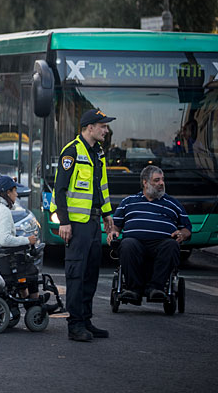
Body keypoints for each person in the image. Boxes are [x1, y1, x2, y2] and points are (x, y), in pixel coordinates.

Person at [49, 108, 116, 342]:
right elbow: (60, 190)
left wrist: (107, 215)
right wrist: (64, 222)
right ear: (90, 128)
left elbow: (102, 188)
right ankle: (75, 325)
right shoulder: (72, 152)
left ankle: (86, 320)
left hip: (94, 222)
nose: (106, 130)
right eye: (103, 126)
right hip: (77, 226)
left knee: (90, 273)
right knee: (76, 274)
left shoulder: (98, 153)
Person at [108, 166, 191, 301]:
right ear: (145, 182)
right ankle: (133, 289)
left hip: (162, 243)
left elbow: (187, 228)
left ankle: (156, 288)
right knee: (127, 244)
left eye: (162, 180)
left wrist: (182, 233)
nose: (161, 183)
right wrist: (113, 233)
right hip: (135, 242)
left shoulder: (173, 203)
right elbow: (116, 226)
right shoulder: (128, 202)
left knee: (171, 245)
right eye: (157, 180)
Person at [0, 175, 39, 298]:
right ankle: (34, 303)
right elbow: (4, 240)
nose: (16, 195)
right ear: (8, 192)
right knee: (31, 270)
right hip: (2, 259)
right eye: (15, 191)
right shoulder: (3, 211)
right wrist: (27, 240)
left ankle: (24, 297)